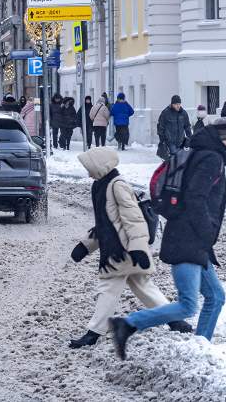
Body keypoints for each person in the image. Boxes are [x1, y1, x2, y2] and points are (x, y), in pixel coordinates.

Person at [110, 118, 226, 360]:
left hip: (192, 239)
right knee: (188, 304)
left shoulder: (201, 154)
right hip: (188, 239)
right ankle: (128, 324)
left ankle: (201, 349)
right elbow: (195, 198)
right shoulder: (211, 159)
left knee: (216, 297)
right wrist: (206, 232)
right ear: (223, 140)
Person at [68, 147, 190, 348]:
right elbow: (105, 224)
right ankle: (174, 319)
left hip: (122, 250)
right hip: (121, 248)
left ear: (100, 166)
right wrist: (85, 245)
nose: (88, 172)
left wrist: (138, 249)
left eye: (90, 167)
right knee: (144, 286)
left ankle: (93, 333)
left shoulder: (117, 185)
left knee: (108, 289)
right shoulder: (101, 185)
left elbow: (134, 220)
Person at [156, 95, 192, 160]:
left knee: (179, 160)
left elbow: (187, 126)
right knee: (174, 159)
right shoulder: (166, 113)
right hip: (170, 142)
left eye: (179, 104)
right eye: (176, 104)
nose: (178, 106)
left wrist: (189, 138)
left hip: (180, 142)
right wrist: (162, 141)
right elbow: (160, 127)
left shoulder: (183, 113)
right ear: (172, 104)